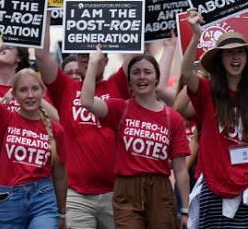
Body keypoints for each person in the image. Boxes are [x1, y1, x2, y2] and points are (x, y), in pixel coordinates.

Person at [180, 10, 248, 227]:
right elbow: (186, 73)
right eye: (229, 53)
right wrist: (195, 36)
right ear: (220, 59)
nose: (235, 57)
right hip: (214, 187)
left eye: (240, 52)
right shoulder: (207, 91)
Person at [80, 48, 190, 229]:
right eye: (136, 72)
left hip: (160, 190)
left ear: (156, 78)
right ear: (129, 80)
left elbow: (180, 169)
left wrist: (185, 209)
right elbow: (87, 102)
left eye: (147, 72)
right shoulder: (119, 108)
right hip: (127, 189)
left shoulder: (173, 118)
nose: (141, 77)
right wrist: (92, 63)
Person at [35, 35, 129, 229]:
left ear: (106, 59)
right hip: (77, 195)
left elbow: (135, 49)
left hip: (115, 192)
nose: (87, 58)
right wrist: (46, 10)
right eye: (82, 55)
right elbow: (42, 55)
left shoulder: (117, 83)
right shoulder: (66, 87)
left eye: (93, 54)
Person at [0, 44, 62, 229]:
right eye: (23, 90)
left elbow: (56, 120)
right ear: (15, 94)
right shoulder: (5, 116)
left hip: (42, 191)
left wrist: (31, 88)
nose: (29, 94)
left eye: (34, 89)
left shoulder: (49, 121)